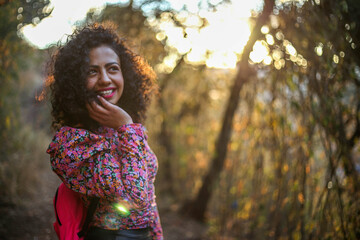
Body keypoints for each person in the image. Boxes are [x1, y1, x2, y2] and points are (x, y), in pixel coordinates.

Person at [46, 23, 163, 240]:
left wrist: (158, 236)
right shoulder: (72, 144)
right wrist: (126, 126)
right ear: (76, 81)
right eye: (92, 71)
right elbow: (134, 198)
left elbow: (149, 199)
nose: (105, 79)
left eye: (112, 68)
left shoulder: (127, 130)